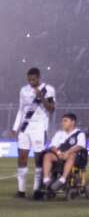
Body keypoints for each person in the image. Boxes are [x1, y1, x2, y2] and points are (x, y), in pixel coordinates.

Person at [13, 67, 56, 198]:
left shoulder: (48, 89)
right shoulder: (23, 90)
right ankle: (21, 191)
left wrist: (41, 97)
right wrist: (15, 127)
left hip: (39, 128)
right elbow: (21, 109)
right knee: (22, 158)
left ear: (39, 78)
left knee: (38, 160)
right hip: (25, 128)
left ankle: (37, 190)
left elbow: (51, 109)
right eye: (29, 79)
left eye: (33, 79)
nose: (31, 82)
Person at [35, 113, 86, 198]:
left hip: (72, 157)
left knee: (72, 155)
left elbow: (80, 146)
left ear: (72, 122)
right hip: (59, 156)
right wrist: (59, 153)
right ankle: (46, 180)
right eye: (62, 121)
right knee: (47, 156)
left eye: (65, 121)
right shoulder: (59, 133)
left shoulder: (79, 134)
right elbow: (53, 146)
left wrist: (67, 153)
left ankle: (63, 179)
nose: (63, 123)